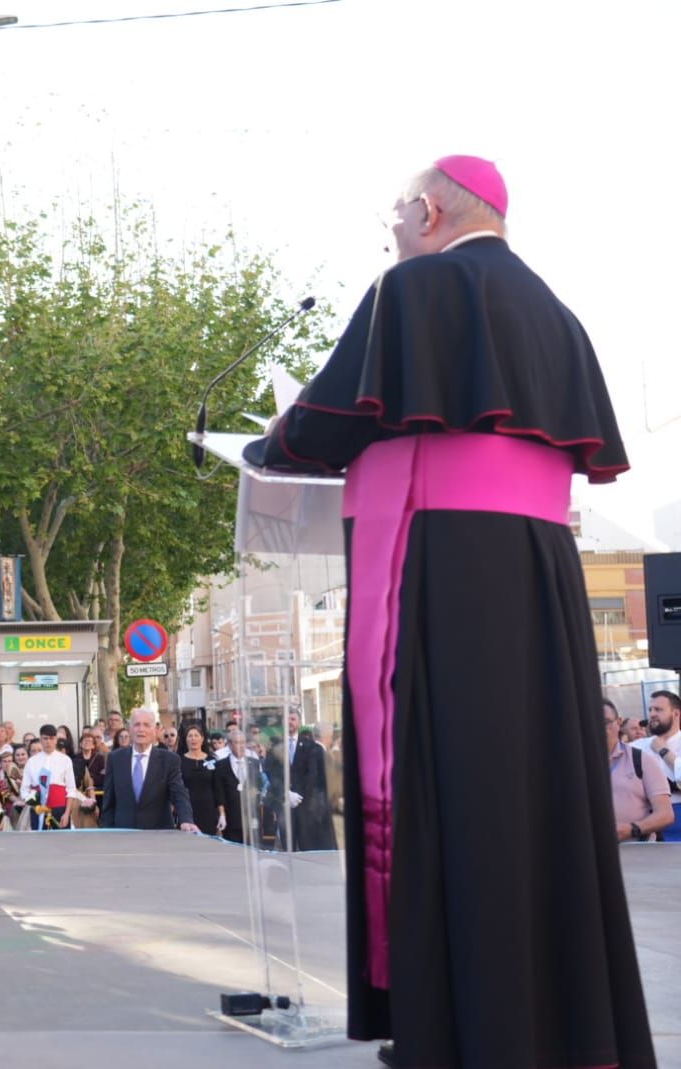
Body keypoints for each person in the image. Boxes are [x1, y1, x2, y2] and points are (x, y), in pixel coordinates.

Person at [243, 156, 652, 1068]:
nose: (392, 226)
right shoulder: (558, 314)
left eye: (397, 211)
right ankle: (560, 1025)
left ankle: (452, 1026)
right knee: (534, 781)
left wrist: (263, 441)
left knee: (437, 775)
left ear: (429, 211)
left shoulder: (415, 287)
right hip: (538, 576)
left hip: (435, 562)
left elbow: (320, 422)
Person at [100, 709, 196, 831]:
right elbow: (108, 800)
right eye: (137, 724)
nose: (141, 729)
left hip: (158, 833)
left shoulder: (169, 760)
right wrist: (106, 831)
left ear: (155, 730)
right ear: (129, 729)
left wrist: (186, 820)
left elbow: (179, 793)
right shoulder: (115, 759)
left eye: (146, 725)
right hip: (123, 833)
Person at [265, 712, 336, 851]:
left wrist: (299, 795)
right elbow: (271, 773)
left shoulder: (310, 746)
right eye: (287, 719)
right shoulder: (274, 746)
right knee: (287, 847)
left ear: (299, 722)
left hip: (305, 806)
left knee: (306, 846)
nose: (290, 722)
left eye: (293, 719)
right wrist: (285, 793)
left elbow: (312, 775)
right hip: (284, 805)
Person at [605, 702, 673, 843]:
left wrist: (632, 829)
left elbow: (666, 814)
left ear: (619, 723)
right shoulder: (574, 763)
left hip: (637, 853)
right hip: (589, 854)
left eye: (605, 722)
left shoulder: (641, 759)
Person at [630, 690, 681, 842]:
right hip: (646, 821)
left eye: (658, 709)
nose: (652, 714)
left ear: (676, 713)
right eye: (650, 709)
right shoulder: (637, 747)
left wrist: (662, 750)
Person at [20, 725, 77, 830]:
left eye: (52, 738)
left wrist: (67, 813)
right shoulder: (32, 762)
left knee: (61, 843)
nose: (48, 742)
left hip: (60, 809)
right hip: (38, 810)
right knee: (39, 843)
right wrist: (34, 805)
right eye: (45, 738)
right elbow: (24, 790)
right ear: (40, 739)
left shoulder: (65, 760)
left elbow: (71, 789)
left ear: (56, 740)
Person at [179, 725, 227, 837]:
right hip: (188, 811)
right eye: (190, 736)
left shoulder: (212, 760)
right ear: (185, 739)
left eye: (196, 735)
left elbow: (218, 789)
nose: (193, 739)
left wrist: (222, 814)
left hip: (209, 810)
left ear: (202, 739)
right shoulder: (179, 761)